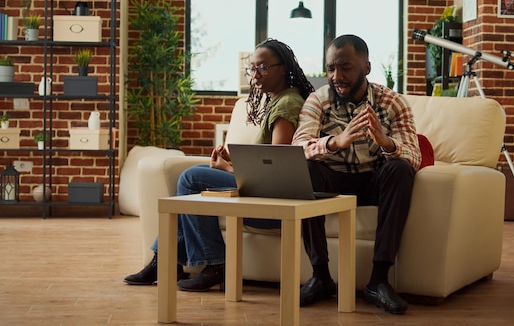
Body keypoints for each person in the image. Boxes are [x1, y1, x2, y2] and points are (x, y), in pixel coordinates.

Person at [124, 38, 315, 292]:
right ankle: (165, 260)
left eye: (264, 68)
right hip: (263, 193)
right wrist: (234, 162)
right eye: (253, 68)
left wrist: (226, 170)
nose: (256, 74)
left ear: (283, 68)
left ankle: (213, 265)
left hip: (273, 204)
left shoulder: (288, 103)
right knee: (192, 178)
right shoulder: (277, 100)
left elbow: (275, 171)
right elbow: (265, 162)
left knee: (192, 179)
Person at [292, 34, 421, 314]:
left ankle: (378, 281)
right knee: (306, 169)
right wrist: (335, 142)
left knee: (399, 169)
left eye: (345, 67)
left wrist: (386, 142)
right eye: (330, 69)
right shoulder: (318, 101)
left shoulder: (392, 103)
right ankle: (321, 276)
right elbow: (298, 148)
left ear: (367, 67)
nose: (336, 76)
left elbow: (414, 155)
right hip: (333, 180)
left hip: (374, 180)